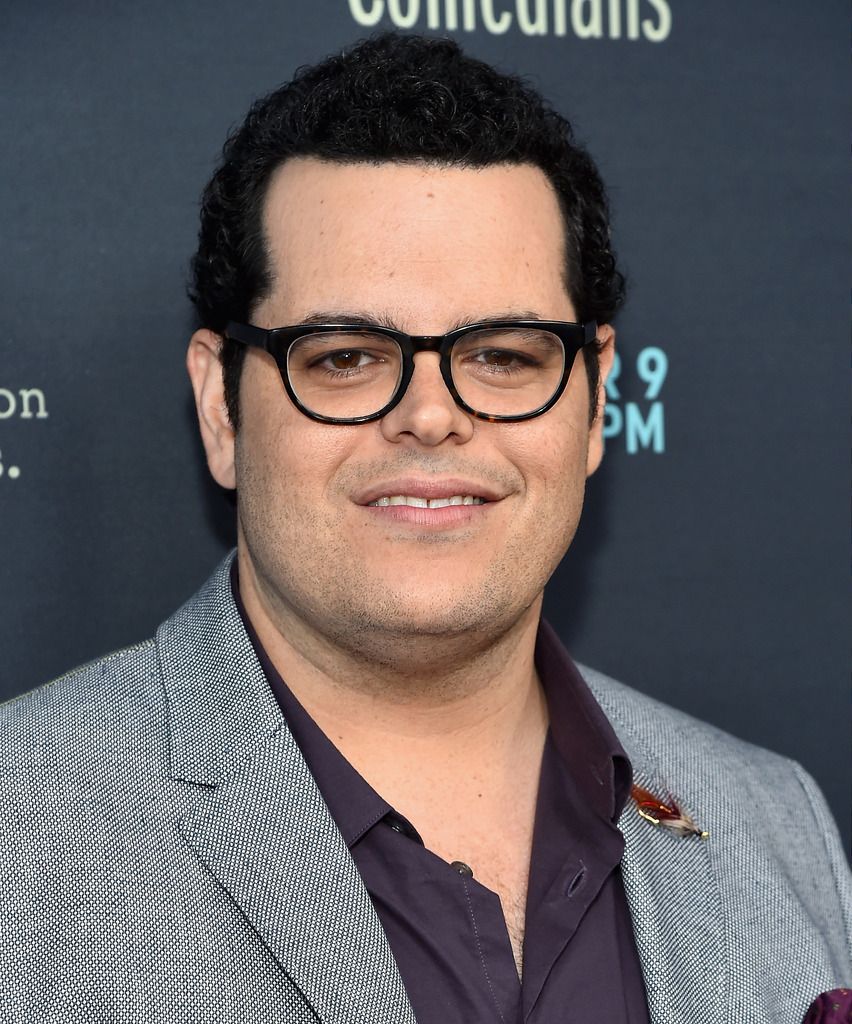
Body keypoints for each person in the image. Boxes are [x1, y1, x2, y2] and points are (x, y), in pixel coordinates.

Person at [1, 32, 848, 1024]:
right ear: (222, 408)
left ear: (596, 399)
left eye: (502, 354)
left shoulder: (774, 819)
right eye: (348, 356)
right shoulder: (20, 830)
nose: (433, 414)